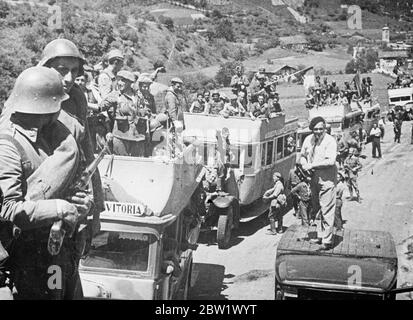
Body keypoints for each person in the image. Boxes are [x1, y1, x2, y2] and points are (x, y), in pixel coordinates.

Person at [0, 67, 92, 300]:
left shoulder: (49, 138)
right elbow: (7, 208)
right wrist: (58, 208)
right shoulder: (7, 145)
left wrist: (80, 204)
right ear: (47, 106)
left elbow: (62, 188)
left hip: (53, 257)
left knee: (57, 292)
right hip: (20, 261)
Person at [300, 116, 337, 250]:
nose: (319, 131)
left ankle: (327, 241)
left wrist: (312, 165)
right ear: (312, 129)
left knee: (326, 208)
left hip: (327, 179)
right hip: (313, 179)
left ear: (325, 128)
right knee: (316, 208)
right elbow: (302, 156)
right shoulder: (308, 140)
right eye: (315, 129)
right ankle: (320, 235)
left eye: (321, 128)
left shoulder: (330, 141)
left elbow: (330, 161)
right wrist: (305, 164)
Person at [101, 70, 145, 157]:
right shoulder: (115, 95)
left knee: (136, 165)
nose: (119, 83)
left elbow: (143, 112)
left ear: (129, 82)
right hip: (120, 137)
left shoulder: (139, 96)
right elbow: (100, 107)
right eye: (119, 80)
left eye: (123, 80)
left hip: (137, 137)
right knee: (121, 164)